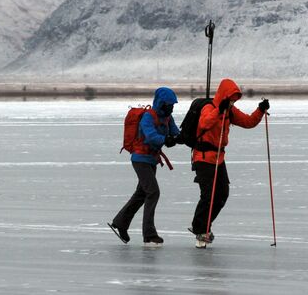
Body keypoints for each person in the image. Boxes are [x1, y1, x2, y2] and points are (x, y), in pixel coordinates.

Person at [189, 78, 270, 246]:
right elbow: (204, 123)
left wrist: (260, 110)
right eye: (231, 98)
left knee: (222, 194)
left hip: (218, 158)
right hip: (203, 158)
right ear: (224, 95)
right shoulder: (208, 108)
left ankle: (203, 226)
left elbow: (248, 122)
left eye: (235, 99)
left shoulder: (230, 111)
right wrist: (219, 110)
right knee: (208, 196)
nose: (233, 102)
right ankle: (200, 229)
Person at [108, 87, 182, 246]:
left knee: (141, 193)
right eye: (169, 105)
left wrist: (182, 137)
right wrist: (165, 140)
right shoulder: (148, 117)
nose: (171, 108)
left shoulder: (168, 118)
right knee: (153, 192)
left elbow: (176, 133)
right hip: (140, 159)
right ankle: (149, 234)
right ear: (161, 103)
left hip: (151, 160)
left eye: (173, 105)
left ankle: (120, 222)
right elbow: (151, 136)